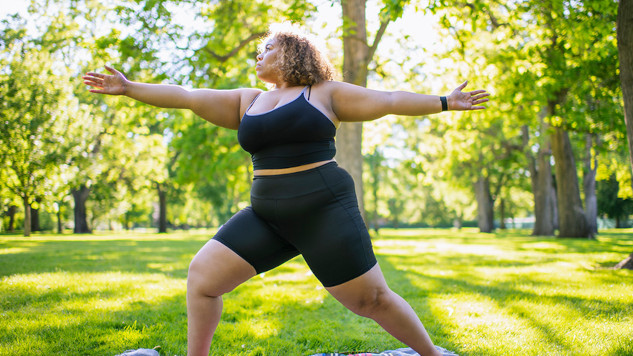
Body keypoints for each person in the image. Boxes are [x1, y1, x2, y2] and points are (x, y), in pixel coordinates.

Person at [83, 24, 489, 356]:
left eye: (268, 47)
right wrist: (130, 86)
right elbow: (187, 97)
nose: (259, 54)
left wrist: (444, 102)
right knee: (203, 279)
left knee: (372, 301)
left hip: (323, 209)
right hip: (267, 216)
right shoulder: (249, 100)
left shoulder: (326, 93)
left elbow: (387, 100)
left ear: (294, 53)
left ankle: (433, 355)